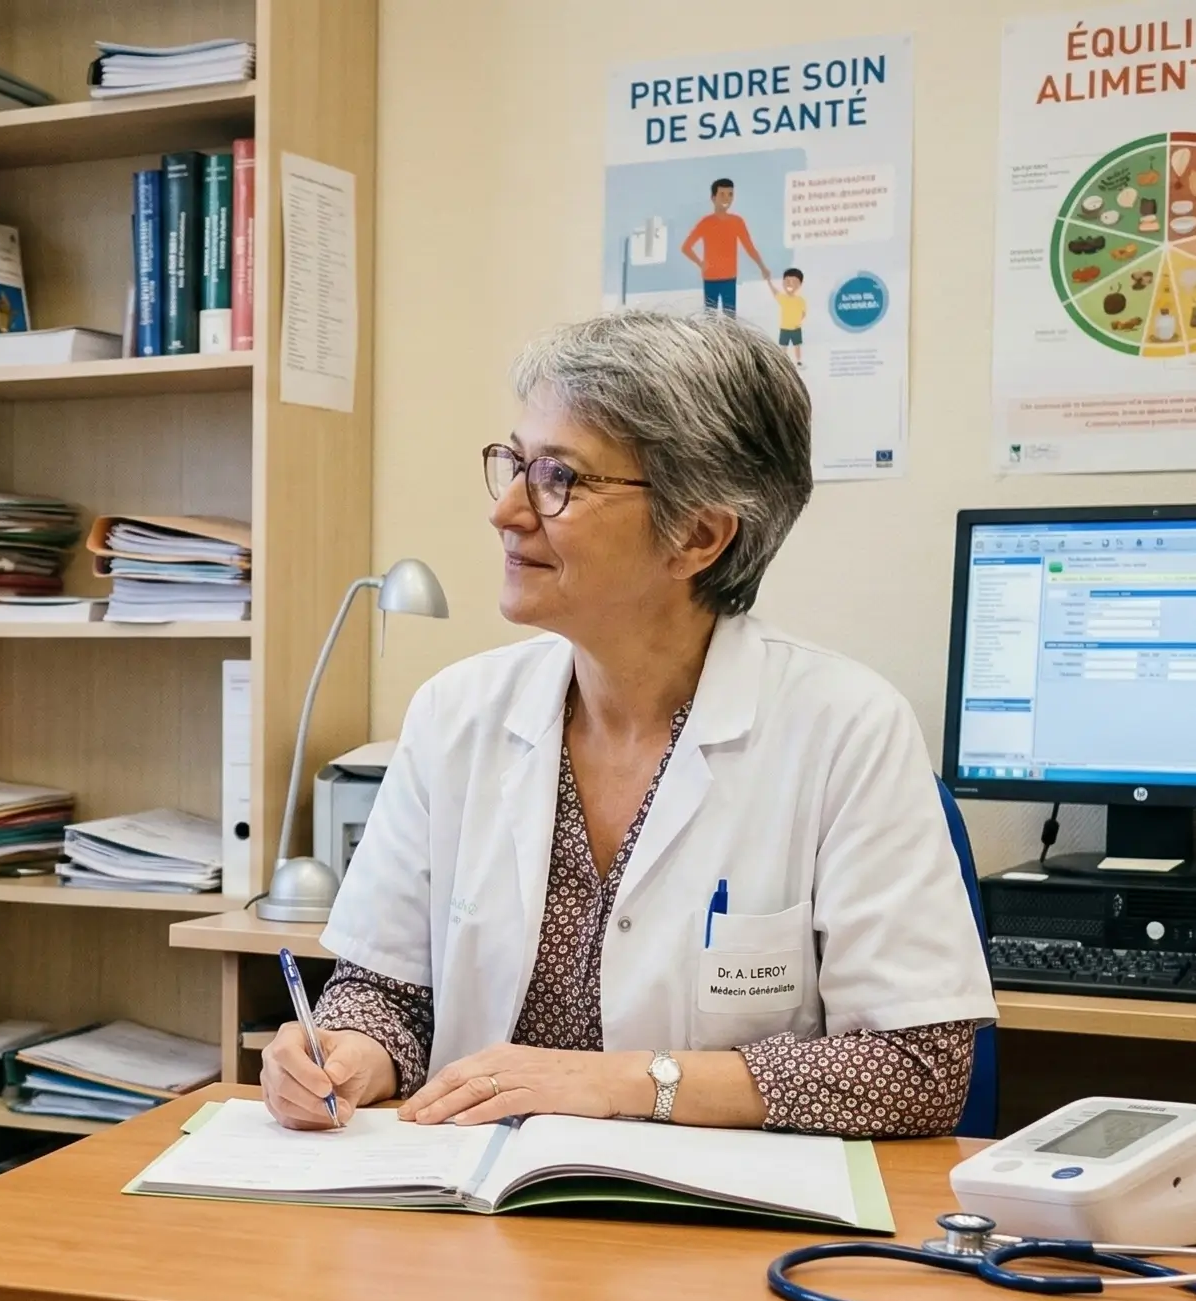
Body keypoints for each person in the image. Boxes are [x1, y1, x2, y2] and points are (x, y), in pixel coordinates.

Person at [263, 308, 991, 1140]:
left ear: (698, 533)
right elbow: (385, 995)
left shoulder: (844, 729)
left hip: (715, 1229)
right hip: (469, 1212)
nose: (505, 512)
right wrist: (349, 1053)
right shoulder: (453, 714)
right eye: (511, 464)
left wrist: (618, 1083)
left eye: (556, 479)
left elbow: (916, 1069)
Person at [679, 177, 770, 314]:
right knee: (711, 319)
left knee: (729, 318)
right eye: (722, 194)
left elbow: (749, 247)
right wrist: (700, 263)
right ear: (713, 197)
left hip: (729, 277)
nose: (726, 198)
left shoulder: (737, 222)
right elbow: (686, 247)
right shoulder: (706, 222)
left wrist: (762, 267)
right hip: (710, 278)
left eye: (730, 194)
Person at [772, 267, 806, 364]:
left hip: (796, 328)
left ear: (800, 284)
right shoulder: (783, 298)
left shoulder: (800, 300)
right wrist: (769, 282)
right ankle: (783, 361)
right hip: (785, 328)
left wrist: (797, 322)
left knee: (797, 345)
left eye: (794, 282)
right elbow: (775, 293)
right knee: (784, 346)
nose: (790, 284)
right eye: (787, 281)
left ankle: (798, 361)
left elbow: (803, 313)